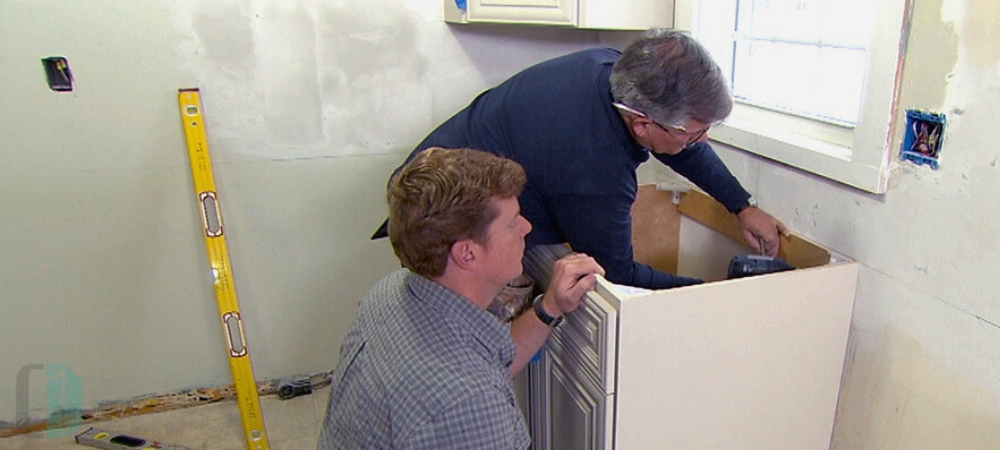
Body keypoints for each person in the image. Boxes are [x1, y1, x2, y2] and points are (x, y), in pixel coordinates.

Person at [377, 28, 787, 290]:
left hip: (438, 181)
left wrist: (741, 205)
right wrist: (709, 291)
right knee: (477, 358)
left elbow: (682, 145)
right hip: (450, 229)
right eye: (696, 132)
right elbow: (617, 274)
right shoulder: (596, 171)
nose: (701, 141)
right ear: (643, 124)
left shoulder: (613, 70)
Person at [318, 148, 605, 450]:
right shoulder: (466, 404)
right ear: (467, 253)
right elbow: (466, 391)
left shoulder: (390, 293)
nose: (527, 228)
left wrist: (550, 308)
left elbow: (485, 365)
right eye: (512, 223)